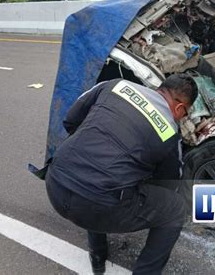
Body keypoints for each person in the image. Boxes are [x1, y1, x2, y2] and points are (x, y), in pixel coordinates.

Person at [45, 74, 197, 274]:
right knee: (175, 209)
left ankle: (97, 254)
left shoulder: (115, 85)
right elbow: (167, 185)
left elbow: (70, 121)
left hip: (55, 182)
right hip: (96, 206)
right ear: (179, 108)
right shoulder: (169, 132)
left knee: (100, 172)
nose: (182, 118)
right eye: (185, 114)